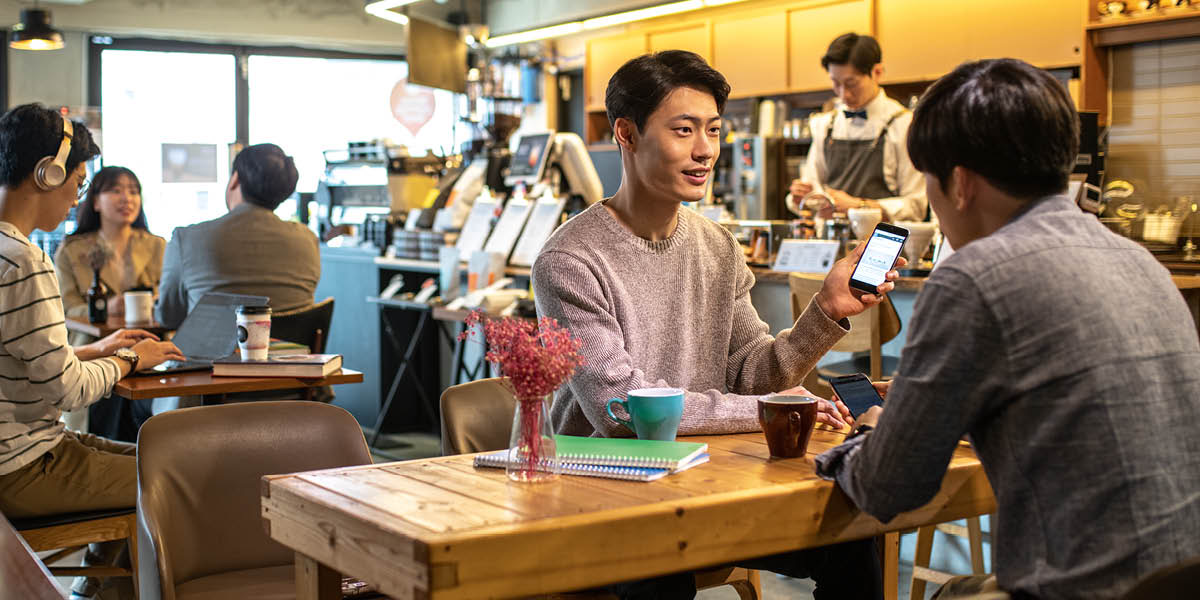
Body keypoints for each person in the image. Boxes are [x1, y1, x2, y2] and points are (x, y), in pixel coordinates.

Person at [815, 59, 1200, 600]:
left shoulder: (973, 278)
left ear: (960, 183)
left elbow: (889, 488)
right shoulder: (1138, 262)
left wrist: (871, 430)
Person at [532, 50, 902, 600]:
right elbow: (620, 411)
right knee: (662, 558)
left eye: (713, 130)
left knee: (850, 528)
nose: (705, 149)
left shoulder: (718, 246)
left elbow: (754, 375)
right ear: (627, 134)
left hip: (707, 479)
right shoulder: (570, 260)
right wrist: (765, 409)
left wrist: (825, 312)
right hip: (605, 493)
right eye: (683, 130)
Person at [0, 103, 185, 599]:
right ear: (47, 173)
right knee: (178, 474)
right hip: (24, 466)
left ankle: (94, 590)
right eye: (78, 183)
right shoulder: (26, 262)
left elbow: (22, 358)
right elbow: (67, 390)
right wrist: (130, 360)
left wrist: (96, 349)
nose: (74, 198)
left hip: (21, 452)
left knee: (162, 454)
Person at [155, 143, 319, 329]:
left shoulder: (186, 239)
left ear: (235, 179)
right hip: (292, 348)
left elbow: (168, 317)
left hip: (212, 349)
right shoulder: (308, 240)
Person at [55, 166, 165, 440]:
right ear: (95, 201)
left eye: (133, 191)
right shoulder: (73, 249)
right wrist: (102, 309)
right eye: (115, 190)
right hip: (94, 345)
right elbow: (65, 307)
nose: (126, 198)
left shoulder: (157, 245)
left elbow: (169, 296)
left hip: (150, 341)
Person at [786, 33, 926, 222]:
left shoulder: (903, 124)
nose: (844, 94)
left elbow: (916, 206)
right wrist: (802, 197)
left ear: (877, 72)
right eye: (836, 83)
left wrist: (859, 206)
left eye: (851, 84)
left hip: (881, 238)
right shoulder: (826, 125)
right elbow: (812, 194)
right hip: (830, 237)